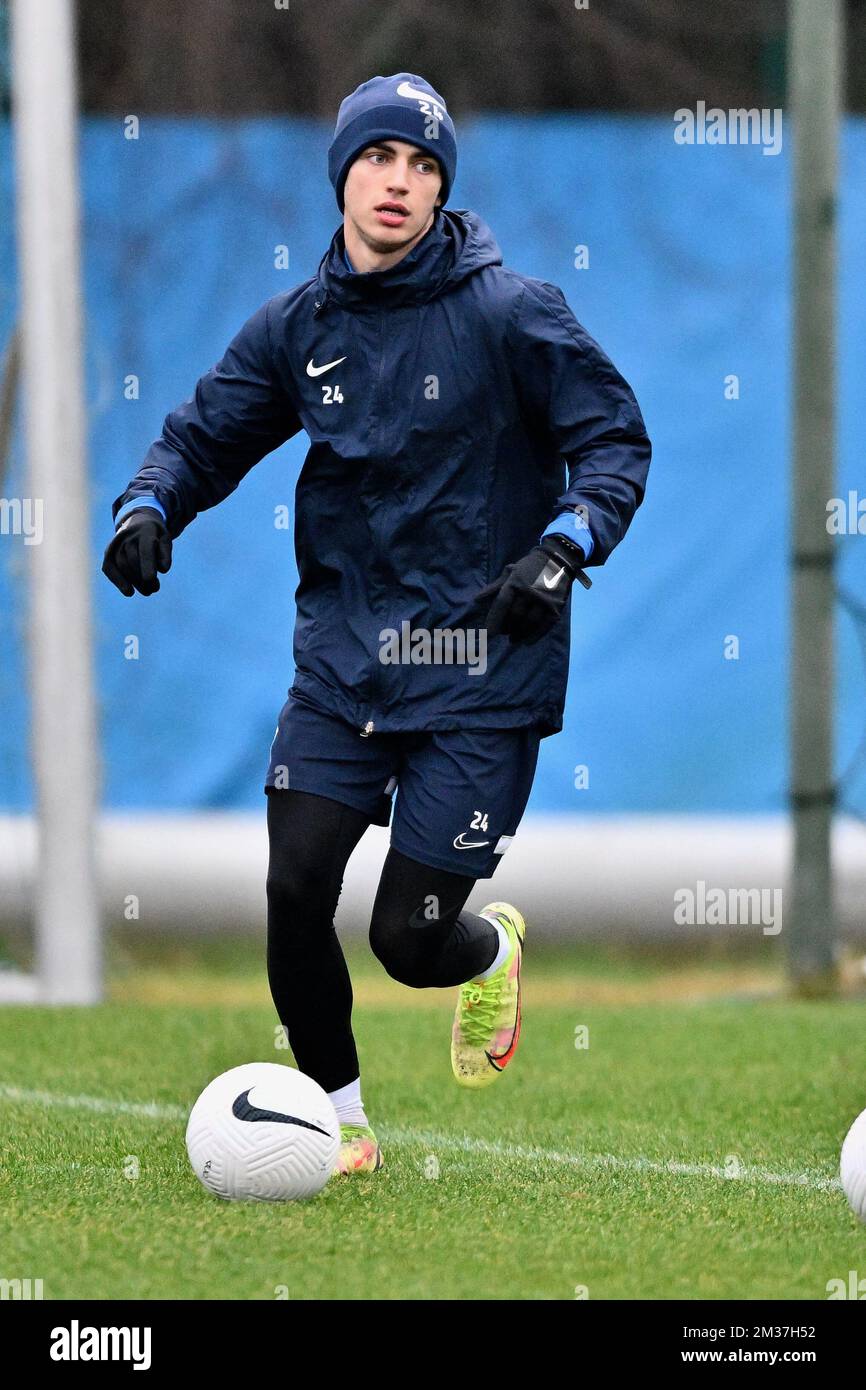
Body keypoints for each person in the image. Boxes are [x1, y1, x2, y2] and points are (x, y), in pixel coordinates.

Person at [102, 72, 651, 1177]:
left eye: (422, 165)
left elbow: (613, 445)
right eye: (379, 158)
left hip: (478, 668)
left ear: (441, 189)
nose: (399, 181)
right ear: (342, 174)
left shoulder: (511, 312)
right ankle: (342, 1128)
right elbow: (202, 434)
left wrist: (563, 545)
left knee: (406, 939)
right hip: (346, 665)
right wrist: (148, 504)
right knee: (295, 885)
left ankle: (489, 948)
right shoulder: (297, 327)